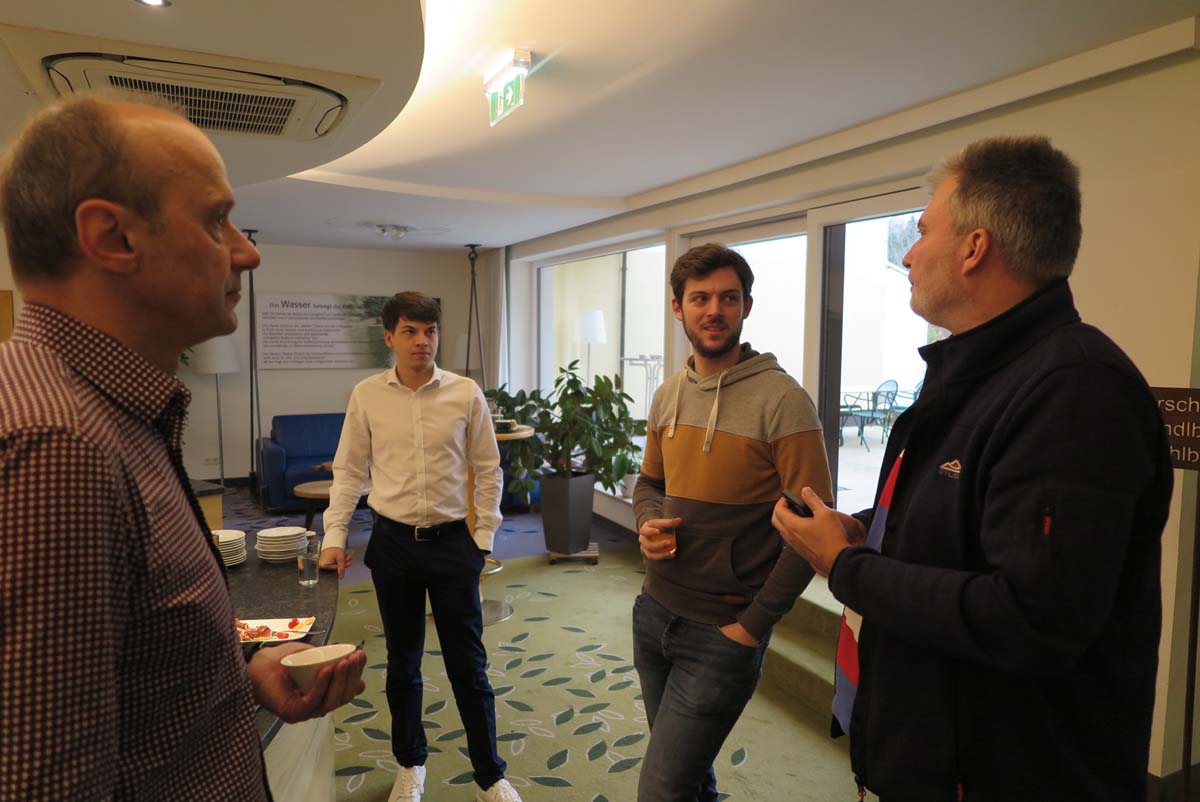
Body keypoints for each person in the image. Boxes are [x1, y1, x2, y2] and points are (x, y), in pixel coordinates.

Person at [773, 135, 1173, 802]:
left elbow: (1030, 618)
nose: (908, 254)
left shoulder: (1075, 391)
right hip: (934, 749)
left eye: (923, 231)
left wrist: (847, 566)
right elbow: (967, 521)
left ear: (974, 248)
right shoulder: (977, 371)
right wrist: (870, 529)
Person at [0, 93, 366, 801]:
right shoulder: (57, 448)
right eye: (214, 219)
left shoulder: (105, 415)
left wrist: (239, 675)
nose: (247, 252)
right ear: (113, 237)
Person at [632, 243, 833, 802]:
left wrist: (751, 626)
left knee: (662, 790)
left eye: (728, 298)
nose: (714, 310)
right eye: (700, 299)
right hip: (653, 612)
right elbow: (648, 484)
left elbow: (813, 530)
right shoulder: (668, 394)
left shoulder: (784, 400)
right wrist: (648, 521)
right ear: (678, 307)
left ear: (746, 306)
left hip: (722, 631)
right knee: (688, 777)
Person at [319, 291, 522, 802]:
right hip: (393, 545)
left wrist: (483, 539)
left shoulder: (465, 392)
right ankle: (411, 764)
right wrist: (334, 537)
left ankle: (490, 775)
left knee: (468, 666)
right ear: (389, 337)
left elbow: (488, 469)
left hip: (454, 545)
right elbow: (348, 471)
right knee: (403, 663)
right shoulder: (367, 395)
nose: (421, 341)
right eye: (410, 331)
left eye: (429, 331)